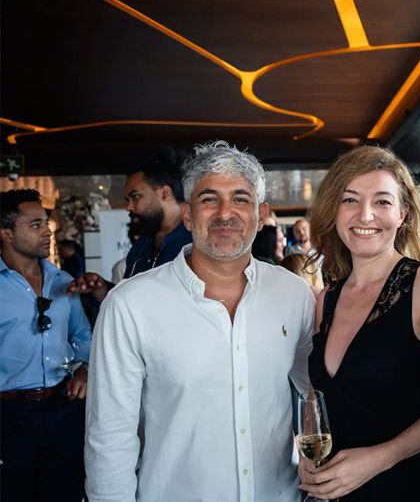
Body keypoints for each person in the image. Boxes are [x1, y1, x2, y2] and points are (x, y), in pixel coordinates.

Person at [85, 141, 316, 501]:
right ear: (189, 214)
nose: (225, 213)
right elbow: (110, 437)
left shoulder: (294, 294)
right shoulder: (129, 305)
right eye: (209, 199)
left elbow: (312, 394)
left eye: (241, 199)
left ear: (261, 213)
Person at [299, 146, 420, 501]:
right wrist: (308, 460)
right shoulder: (326, 300)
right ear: (334, 211)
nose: (365, 214)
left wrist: (379, 459)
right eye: (350, 200)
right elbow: (327, 405)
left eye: (382, 202)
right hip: (331, 493)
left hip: (401, 488)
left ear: (403, 214)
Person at [0, 189, 92, 502]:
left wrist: (84, 369)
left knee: (65, 492)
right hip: (9, 415)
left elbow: (81, 336)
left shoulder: (64, 280)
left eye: (46, 223)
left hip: (62, 408)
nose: (47, 231)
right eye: (35, 224)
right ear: (6, 233)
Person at [68, 158, 192, 301]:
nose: (129, 207)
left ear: (165, 193)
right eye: (128, 200)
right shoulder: (141, 246)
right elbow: (134, 303)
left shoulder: (198, 241)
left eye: (135, 197)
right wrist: (103, 289)